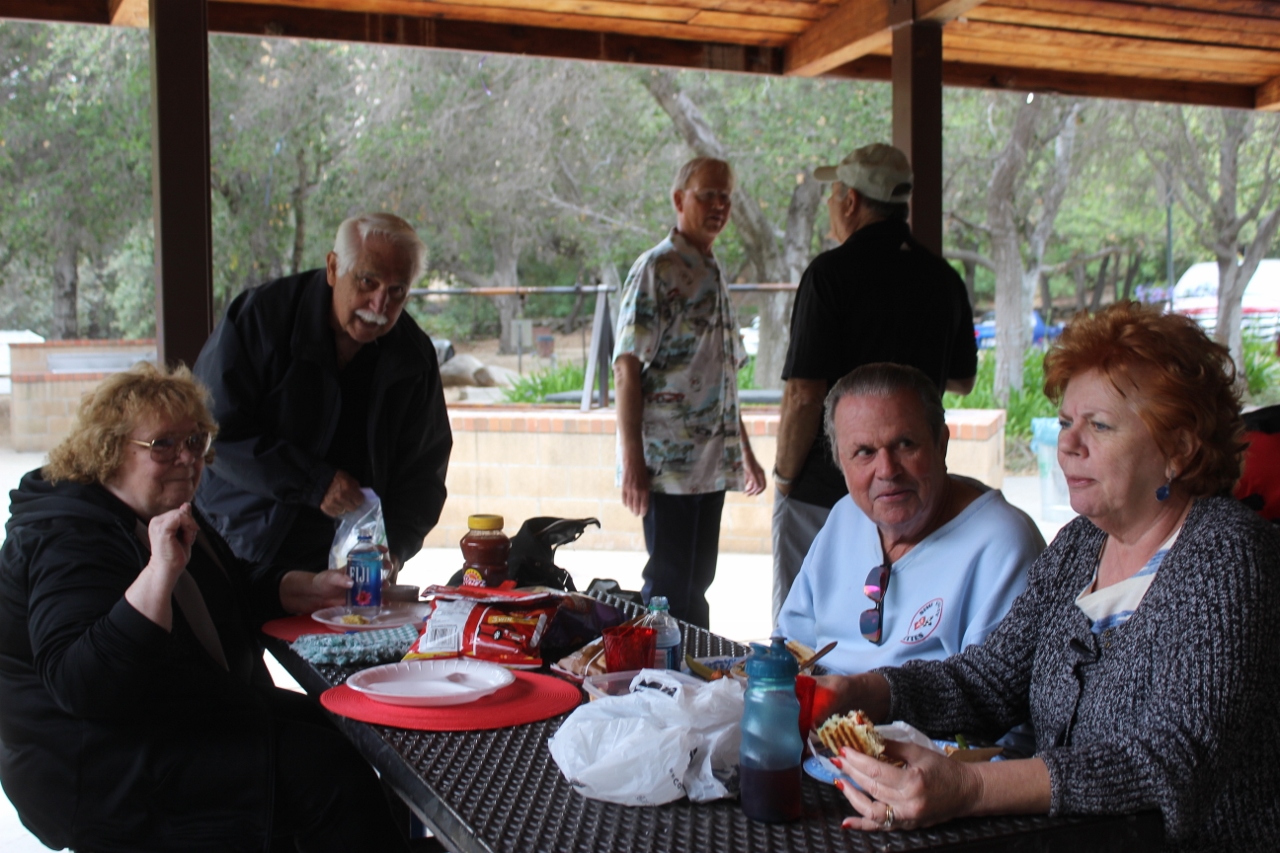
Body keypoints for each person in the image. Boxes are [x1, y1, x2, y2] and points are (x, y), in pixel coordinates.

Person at [816, 303, 1279, 851]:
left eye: (1099, 426)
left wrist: (968, 788)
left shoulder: (1227, 555)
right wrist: (864, 691)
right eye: (1065, 423)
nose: (1068, 444)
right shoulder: (1082, 543)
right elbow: (988, 682)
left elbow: (1172, 758)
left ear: (1178, 447)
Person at [0, 363, 410, 853]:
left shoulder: (157, 510)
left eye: (196, 441)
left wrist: (318, 586)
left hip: (170, 712)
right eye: (163, 445)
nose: (187, 458)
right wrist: (160, 572)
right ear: (109, 451)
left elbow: (231, 589)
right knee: (329, 775)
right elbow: (84, 685)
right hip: (96, 762)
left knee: (347, 727)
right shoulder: (68, 535)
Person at [194, 212, 452, 607]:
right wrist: (315, 483)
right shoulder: (261, 318)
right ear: (334, 268)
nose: (379, 304)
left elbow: (423, 475)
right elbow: (212, 433)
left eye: (397, 290)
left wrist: (394, 548)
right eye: (368, 282)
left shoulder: (412, 356)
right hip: (239, 543)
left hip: (348, 563)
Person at [771, 143, 977, 623]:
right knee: (899, 624)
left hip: (826, 486)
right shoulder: (942, 278)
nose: (830, 206)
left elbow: (804, 394)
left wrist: (784, 478)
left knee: (805, 631)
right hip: (913, 488)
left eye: (831, 195)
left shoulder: (830, 275)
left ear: (850, 201)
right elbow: (962, 379)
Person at [777, 363, 1043, 676]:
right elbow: (789, 646)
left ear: (941, 444)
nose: (887, 470)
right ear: (839, 461)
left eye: (905, 445)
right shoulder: (845, 516)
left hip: (923, 724)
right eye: (864, 452)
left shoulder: (1002, 544)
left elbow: (992, 699)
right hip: (815, 715)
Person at [613, 156, 766, 628]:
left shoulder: (712, 269)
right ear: (680, 200)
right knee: (666, 588)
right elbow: (626, 367)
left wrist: (744, 451)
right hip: (668, 466)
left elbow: (721, 373)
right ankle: (656, 687)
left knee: (698, 586)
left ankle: (694, 685)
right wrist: (633, 461)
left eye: (726, 197)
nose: (719, 205)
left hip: (710, 465)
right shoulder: (657, 269)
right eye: (707, 195)